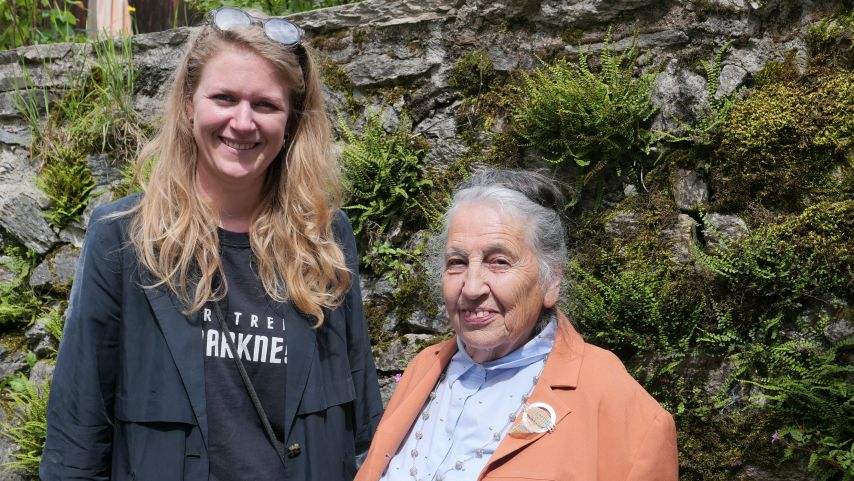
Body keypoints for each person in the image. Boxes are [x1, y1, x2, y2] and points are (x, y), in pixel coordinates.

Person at [41, 7, 382, 481]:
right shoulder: (122, 239)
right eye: (224, 98)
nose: (242, 123)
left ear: (291, 121)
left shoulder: (325, 238)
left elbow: (367, 429)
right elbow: (75, 442)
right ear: (188, 104)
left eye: (265, 105)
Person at [355, 169, 678, 481]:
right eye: (457, 263)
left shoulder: (614, 400)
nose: (471, 287)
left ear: (551, 281)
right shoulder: (425, 368)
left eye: (499, 261)